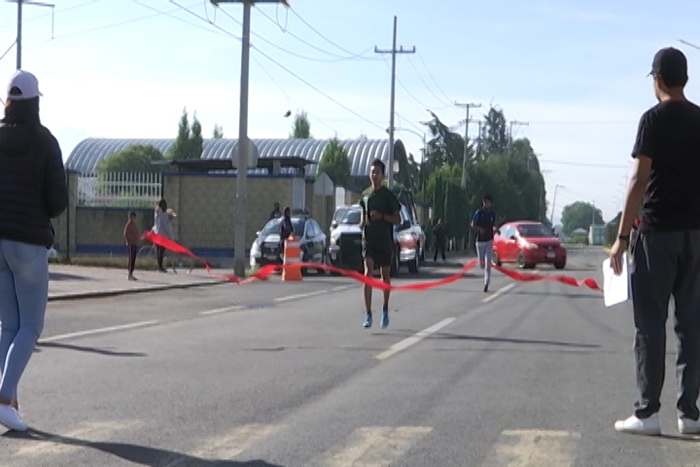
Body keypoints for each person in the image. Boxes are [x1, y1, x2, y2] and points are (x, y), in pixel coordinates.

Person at [610, 47, 700, 436]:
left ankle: (648, 413)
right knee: (692, 324)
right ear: (686, 79)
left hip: (657, 233)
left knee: (650, 325)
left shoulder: (652, 120)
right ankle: (690, 414)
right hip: (696, 235)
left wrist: (621, 237)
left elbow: (638, 179)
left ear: (657, 80)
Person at [0, 70, 67, 431]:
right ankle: (2, 396)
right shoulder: (45, 141)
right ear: (36, 101)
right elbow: (57, 201)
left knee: (7, 325)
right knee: (30, 326)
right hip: (27, 243)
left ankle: (8, 403)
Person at [359, 159, 401, 329]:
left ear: (383, 175)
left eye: (377, 172)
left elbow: (398, 219)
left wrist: (382, 217)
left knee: (385, 276)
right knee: (367, 273)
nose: (374, 175)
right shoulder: (365, 195)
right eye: (372, 172)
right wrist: (362, 222)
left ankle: (385, 309)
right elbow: (363, 214)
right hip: (368, 239)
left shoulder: (388, 195)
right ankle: (368, 313)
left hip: (384, 241)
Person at [471, 195, 497, 293]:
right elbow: (472, 225)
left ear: (491, 203)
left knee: (487, 264)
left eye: (488, 202)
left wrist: (495, 229)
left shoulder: (493, 214)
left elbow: (494, 224)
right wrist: (479, 229)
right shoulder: (479, 213)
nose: (486, 204)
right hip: (480, 241)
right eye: (485, 202)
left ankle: (486, 283)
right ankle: (483, 267)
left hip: (489, 241)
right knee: (482, 264)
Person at [153, 199, 173, 273]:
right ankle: (160, 267)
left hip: (157, 234)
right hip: (163, 235)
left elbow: (155, 224)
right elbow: (166, 226)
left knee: (158, 251)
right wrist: (170, 236)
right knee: (161, 251)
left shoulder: (156, 213)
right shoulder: (164, 214)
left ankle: (159, 267)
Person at [124, 211, 140, 281]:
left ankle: (131, 273)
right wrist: (131, 238)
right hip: (131, 244)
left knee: (133, 259)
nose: (133, 218)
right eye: (131, 217)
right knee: (131, 258)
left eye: (134, 217)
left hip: (135, 243)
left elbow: (136, 233)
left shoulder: (134, 225)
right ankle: (129, 274)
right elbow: (125, 234)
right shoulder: (128, 225)